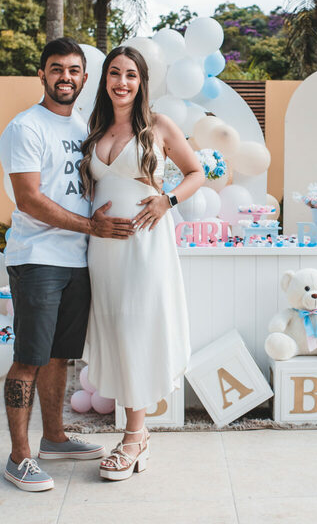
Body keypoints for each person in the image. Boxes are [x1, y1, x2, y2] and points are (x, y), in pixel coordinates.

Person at [0, 37, 137, 492]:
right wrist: (91, 228)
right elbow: (29, 198)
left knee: (60, 357)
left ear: (83, 77)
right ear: (42, 74)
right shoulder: (26, 127)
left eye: (74, 70)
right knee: (28, 359)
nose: (66, 77)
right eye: (56, 69)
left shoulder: (82, 127)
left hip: (78, 260)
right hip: (38, 258)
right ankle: (19, 457)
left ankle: (54, 438)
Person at [78, 46, 204, 481]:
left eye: (131, 75)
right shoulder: (94, 130)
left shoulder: (158, 126)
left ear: (142, 81)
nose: (122, 82)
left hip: (146, 245)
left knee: (137, 327)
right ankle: (137, 433)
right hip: (104, 251)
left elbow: (196, 173)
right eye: (115, 74)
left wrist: (167, 200)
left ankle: (135, 435)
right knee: (114, 328)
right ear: (105, 80)